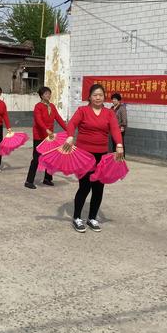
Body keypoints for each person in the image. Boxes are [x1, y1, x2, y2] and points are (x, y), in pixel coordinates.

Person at [63, 84, 124, 233]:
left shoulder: (109, 113)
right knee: (85, 186)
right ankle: (77, 217)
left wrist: (119, 145)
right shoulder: (82, 111)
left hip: (101, 155)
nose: (98, 97)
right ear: (89, 97)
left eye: (101, 95)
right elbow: (71, 124)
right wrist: (70, 136)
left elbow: (115, 129)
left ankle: (92, 218)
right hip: (85, 156)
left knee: (98, 188)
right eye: (95, 95)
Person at [24, 86, 67, 189]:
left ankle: (47, 178)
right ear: (41, 95)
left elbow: (59, 118)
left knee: (51, 157)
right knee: (36, 158)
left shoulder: (52, 106)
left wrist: (67, 129)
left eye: (49, 93)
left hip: (50, 136)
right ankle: (29, 181)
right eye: (46, 94)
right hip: (40, 135)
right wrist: (46, 129)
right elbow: (38, 120)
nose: (48, 95)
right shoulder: (38, 106)